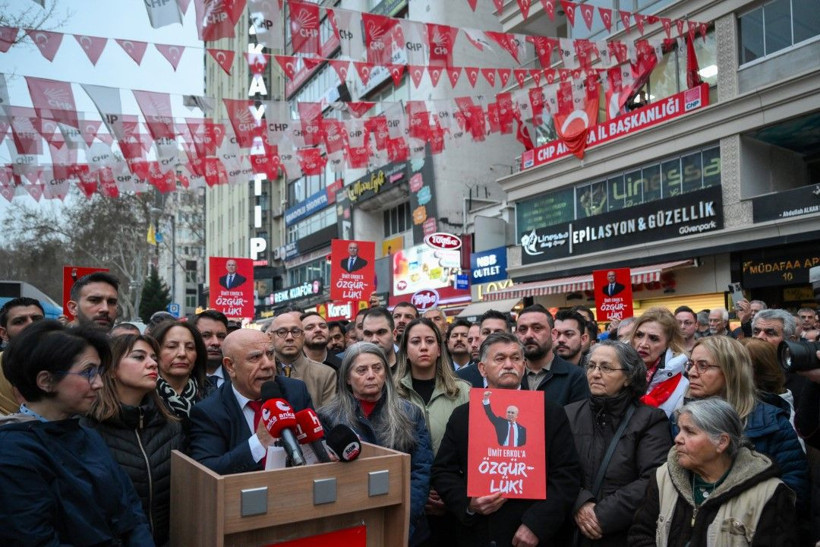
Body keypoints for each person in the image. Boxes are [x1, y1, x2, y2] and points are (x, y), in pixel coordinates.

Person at [0, 320, 153, 545]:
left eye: (99, 372)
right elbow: (33, 538)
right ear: (46, 381)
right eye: (88, 372)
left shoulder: (87, 434)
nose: (99, 384)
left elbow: (130, 509)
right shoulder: (12, 453)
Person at [432, 332, 581, 546]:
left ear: (524, 365)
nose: (509, 365)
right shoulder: (464, 415)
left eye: (516, 358)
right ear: (482, 368)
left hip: (533, 535)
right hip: (479, 532)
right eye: (500, 359)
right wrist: (469, 504)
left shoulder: (551, 413)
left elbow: (567, 475)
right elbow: (443, 471)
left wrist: (537, 524)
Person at [629, 399, 798, 546]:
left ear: (721, 442)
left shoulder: (767, 494)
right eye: (679, 430)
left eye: (690, 432)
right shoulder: (663, 477)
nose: (677, 439)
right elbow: (641, 534)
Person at [318, 342, 433, 542]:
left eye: (377, 368)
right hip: (351, 521)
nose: (371, 375)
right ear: (347, 377)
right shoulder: (329, 417)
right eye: (361, 370)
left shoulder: (410, 413)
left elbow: (421, 469)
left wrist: (405, 515)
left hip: (405, 521)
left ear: (386, 373)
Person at [683, 335, 808, 512]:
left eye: (703, 365)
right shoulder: (683, 420)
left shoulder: (772, 422)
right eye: (690, 364)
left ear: (731, 371)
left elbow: (794, 489)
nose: (692, 372)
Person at [564, 341, 672, 546]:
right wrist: (580, 503)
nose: (595, 374)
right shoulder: (569, 414)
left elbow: (654, 477)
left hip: (623, 534)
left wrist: (601, 515)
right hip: (573, 532)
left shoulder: (649, 419)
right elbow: (555, 468)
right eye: (591, 366)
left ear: (628, 377)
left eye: (606, 368)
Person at [83, 333, 183, 546]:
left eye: (154, 357)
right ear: (110, 369)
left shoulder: (171, 426)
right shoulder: (87, 430)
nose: (152, 364)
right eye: (139, 357)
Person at [189, 328, 313, 475]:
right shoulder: (209, 411)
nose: (268, 364)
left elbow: (317, 442)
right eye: (255, 357)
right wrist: (259, 442)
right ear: (230, 366)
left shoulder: (295, 391)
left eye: (270, 354)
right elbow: (207, 470)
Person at [395, 317, 471, 546]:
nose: (423, 347)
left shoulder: (463, 391)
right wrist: (419, 493)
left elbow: (474, 448)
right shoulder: (391, 395)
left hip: (456, 501)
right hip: (409, 499)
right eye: (415, 341)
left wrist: (452, 494)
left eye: (430, 341)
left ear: (439, 349)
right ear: (405, 350)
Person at [515, 304, 589, 406]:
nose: (528, 335)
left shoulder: (576, 377)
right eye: (523, 329)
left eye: (537, 328)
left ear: (553, 334)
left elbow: (577, 419)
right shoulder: (510, 374)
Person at [629, 307, 689, 417]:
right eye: (639, 335)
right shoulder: (616, 373)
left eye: (653, 338)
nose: (643, 344)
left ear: (669, 344)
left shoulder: (682, 386)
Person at [269, 313, 336, 408]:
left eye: (295, 332)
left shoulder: (325, 374)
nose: (289, 338)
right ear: (270, 337)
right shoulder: (262, 373)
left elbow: (327, 418)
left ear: (303, 337)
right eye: (282, 332)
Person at [153, 320, 208, 420]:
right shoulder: (142, 395)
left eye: (190, 347)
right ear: (155, 352)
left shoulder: (214, 395)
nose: (182, 353)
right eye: (172, 346)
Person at [0, 297, 45, 414]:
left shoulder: (68, 362)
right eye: (19, 321)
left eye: (37, 319)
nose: (31, 325)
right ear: (4, 333)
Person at [457, 309, 510, 389]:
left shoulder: (521, 373)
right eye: (486, 332)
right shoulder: (460, 378)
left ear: (510, 336)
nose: (491, 337)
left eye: (498, 332)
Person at [193, 309, 230, 389]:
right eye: (206, 335)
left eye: (221, 336)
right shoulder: (182, 378)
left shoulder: (240, 378)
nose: (215, 343)